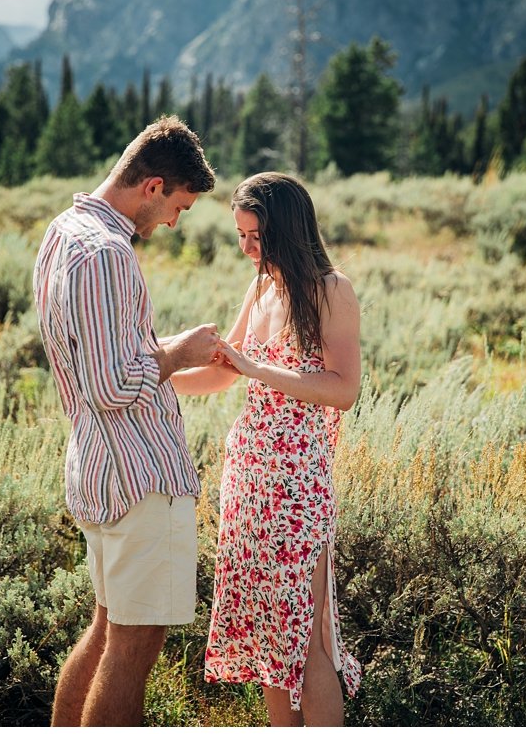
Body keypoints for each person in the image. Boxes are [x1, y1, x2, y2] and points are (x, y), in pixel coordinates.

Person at [36, 116, 222, 726]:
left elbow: (106, 353)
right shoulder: (107, 253)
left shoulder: (65, 233)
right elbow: (115, 384)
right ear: (153, 186)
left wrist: (167, 347)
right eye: (178, 207)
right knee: (132, 651)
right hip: (140, 480)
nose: (173, 222)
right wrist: (181, 355)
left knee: (106, 632)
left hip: (99, 470)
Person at [172, 171, 363, 725]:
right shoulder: (260, 288)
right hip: (249, 479)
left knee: (307, 635)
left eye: (256, 236)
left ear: (287, 230)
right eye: (240, 236)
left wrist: (260, 368)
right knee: (265, 634)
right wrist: (152, 376)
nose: (247, 249)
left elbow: (343, 389)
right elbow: (222, 374)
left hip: (299, 483)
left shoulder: (333, 291)